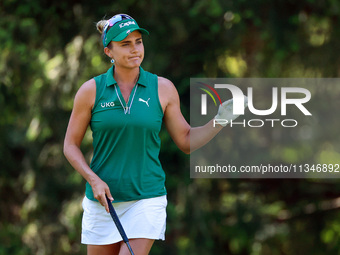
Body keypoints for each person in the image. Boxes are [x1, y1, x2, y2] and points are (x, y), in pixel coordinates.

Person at [63, 13, 246, 255]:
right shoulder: (90, 91)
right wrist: (93, 179)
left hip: (146, 198)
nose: (134, 49)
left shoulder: (163, 88)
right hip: (103, 203)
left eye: (138, 42)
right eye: (125, 44)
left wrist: (220, 120)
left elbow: (186, 141)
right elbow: (70, 145)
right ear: (109, 51)